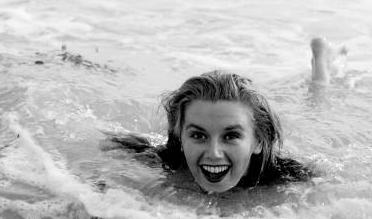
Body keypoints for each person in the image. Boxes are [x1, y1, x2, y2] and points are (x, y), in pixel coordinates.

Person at [106, 37, 342, 194]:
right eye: (198, 135)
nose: (214, 153)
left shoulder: (287, 176)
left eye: (230, 136)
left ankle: (321, 61)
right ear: (180, 135)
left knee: (316, 106)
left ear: (258, 142)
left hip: (301, 131)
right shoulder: (162, 160)